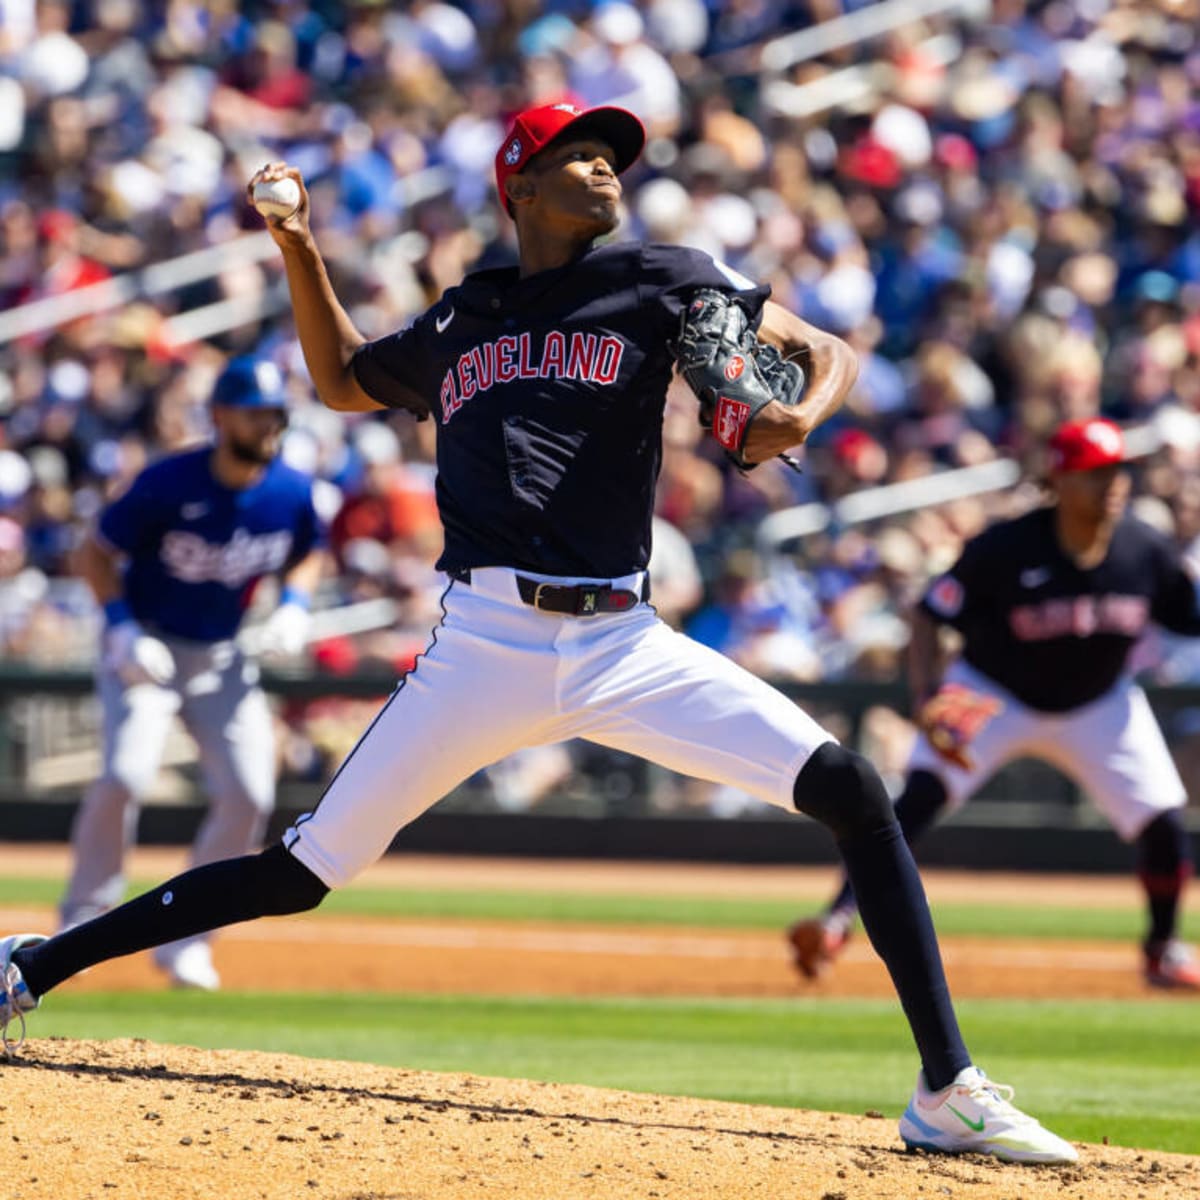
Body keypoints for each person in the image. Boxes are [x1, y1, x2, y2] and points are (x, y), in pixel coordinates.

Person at [2, 103, 1076, 1164]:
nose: (609, 171)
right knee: (300, 873)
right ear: (520, 183)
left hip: (624, 639)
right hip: (484, 642)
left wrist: (806, 409)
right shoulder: (465, 317)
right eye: (583, 155)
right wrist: (299, 245)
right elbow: (337, 380)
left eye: (615, 158)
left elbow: (819, 346)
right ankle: (35, 963)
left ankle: (947, 1090)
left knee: (851, 787)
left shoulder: (662, 278)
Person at [788, 417, 1200, 993]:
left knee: (1162, 820)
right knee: (914, 805)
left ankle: (1162, 950)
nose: (1111, 485)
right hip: (992, 694)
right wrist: (930, 696)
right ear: (1059, 480)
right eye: (1093, 474)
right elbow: (931, 614)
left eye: (1116, 473)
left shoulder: (1144, 550)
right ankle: (836, 921)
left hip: (1098, 702)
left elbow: (1189, 616)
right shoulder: (1006, 547)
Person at [56, 356, 324, 989]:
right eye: (255, 413)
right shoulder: (169, 482)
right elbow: (93, 552)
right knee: (124, 775)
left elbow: (307, 552)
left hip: (223, 656)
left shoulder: (289, 490)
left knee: (251, 794)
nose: (268, 426)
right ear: (220, 416)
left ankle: (188, 940)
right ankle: (81, 919)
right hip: (146, 643)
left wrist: (295, 604)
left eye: (275, 414)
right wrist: (119, 626)